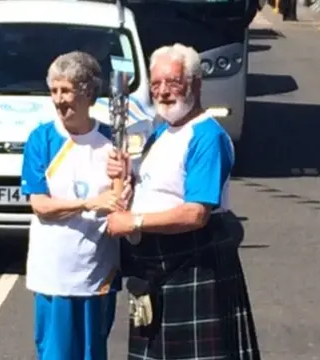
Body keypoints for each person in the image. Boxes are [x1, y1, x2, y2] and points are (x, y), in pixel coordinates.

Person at [105, 43, 261, 360]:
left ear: (196, 83)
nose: (163, 92)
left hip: (192, 262)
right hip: (157, 267)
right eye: (156, 83)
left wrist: (133, 222)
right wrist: (128, 179)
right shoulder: (162, 132)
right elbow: (159, 189)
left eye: (173, 82)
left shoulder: (206, 136)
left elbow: (196, 213)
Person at [20, 51, 131, 360]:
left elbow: (122, 205)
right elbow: (41, 206)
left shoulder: (113, 141)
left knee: (93, 355)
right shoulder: (41, 139)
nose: (58, 100)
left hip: (98, 273)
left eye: (66, 90)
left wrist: (125, 182)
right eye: (54, 91)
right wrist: (88, 203)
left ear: (89, 93)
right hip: (53, 274)